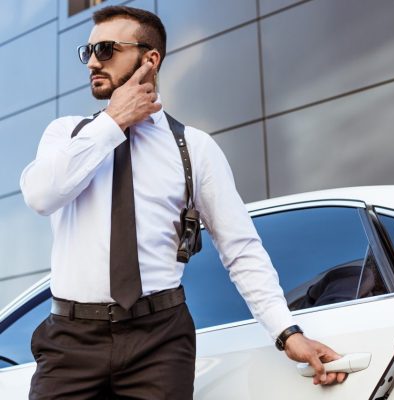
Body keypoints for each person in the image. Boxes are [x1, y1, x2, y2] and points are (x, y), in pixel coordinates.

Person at [20, 5, 346, 399]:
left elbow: (240, 249)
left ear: (149, 59)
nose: (91, 62)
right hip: (69, 342)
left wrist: (286, 332)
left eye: (105, 49)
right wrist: (112, 122)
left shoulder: (195, 148)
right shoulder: (66, 134)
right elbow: (41, 195)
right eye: (86, 52)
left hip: (159, 340)